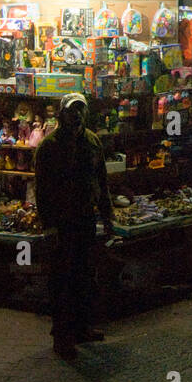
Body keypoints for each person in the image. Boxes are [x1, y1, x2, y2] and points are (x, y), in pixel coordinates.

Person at [34, 92, 112, 361]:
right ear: (61, 114)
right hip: (61, 222)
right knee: (62, 280)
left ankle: (82, 328)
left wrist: (108, 216)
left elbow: (101, 181)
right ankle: (62, 337)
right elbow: (42, 191)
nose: (76, 115)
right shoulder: (49, 147)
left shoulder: (92, 141)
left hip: (85, 219)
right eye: (71, 111)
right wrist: (49, 226)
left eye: (80, 110)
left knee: (84, 275)